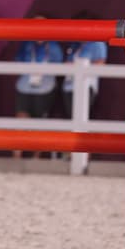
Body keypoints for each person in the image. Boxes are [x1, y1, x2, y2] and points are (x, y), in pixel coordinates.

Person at [13, 13, 64, 159]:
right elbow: (17, 62)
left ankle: (36, 158)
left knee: (40, 123)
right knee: (20, 119)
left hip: (45, 89)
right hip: (24, 87)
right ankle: (16, 157)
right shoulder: (26, 44)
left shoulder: (54, 47)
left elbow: (60, 67)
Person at [62, 10, 108, 122]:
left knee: (79, 118)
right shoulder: (74, 44)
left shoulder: (97, 43)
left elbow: (101, 63)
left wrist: (82, 68)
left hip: (86, 86)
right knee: (70, 118)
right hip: (69, 85)